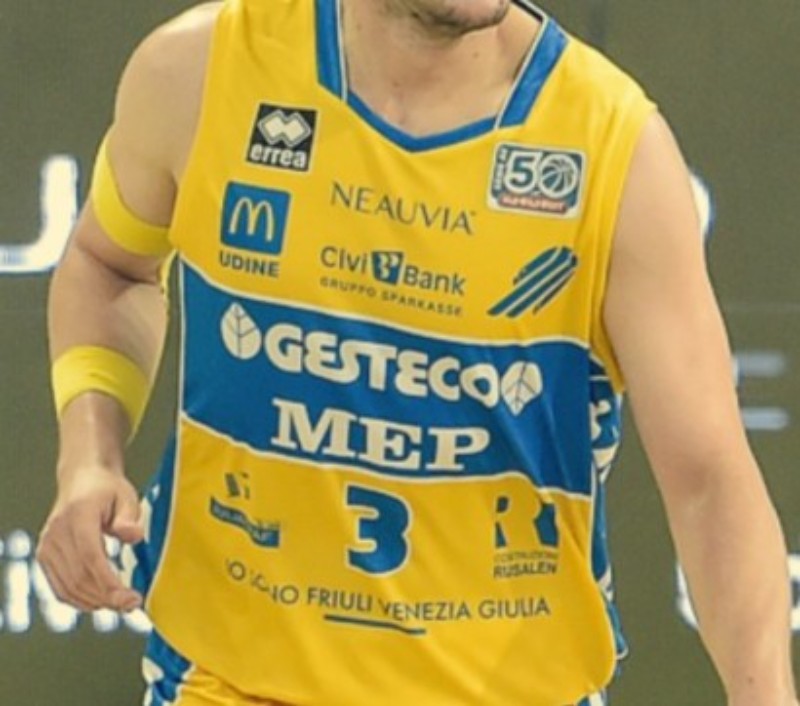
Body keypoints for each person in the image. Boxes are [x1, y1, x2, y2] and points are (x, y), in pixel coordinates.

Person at [36, 0, 797, 704]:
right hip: (224, 684)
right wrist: (89, 460)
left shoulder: (611, 144)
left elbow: (708, 481)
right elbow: (110, 264)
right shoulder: (202, 69)